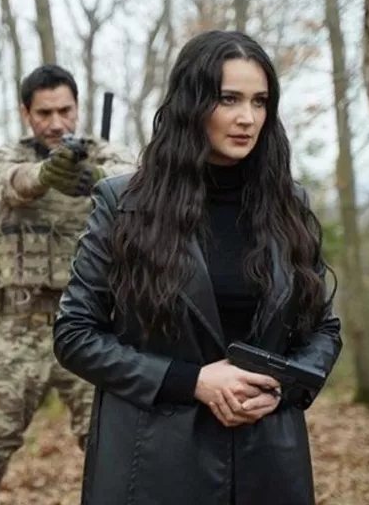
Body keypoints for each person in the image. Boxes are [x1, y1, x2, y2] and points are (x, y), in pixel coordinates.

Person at [52, 30, 343, 505]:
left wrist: (283, 386)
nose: (247, 118)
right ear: (192, 104)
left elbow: (323, 331)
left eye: (260, 101)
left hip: (268, 460)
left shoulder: (288, 205)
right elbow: (75, 335)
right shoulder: (124, 204)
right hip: (155, 465)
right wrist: (192, 382)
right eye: (229, 99)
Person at [0, 64, 138, 505]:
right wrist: (47, 175)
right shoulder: (7, 157)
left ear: (78, 108)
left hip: (92, 327)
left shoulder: (108, 155)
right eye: (44, 113)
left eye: (65, 111)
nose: (56, 123)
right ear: (26, 113)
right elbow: (12, 183)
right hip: (21, 327)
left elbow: (139, 183)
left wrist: (98, 181)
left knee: (118, 455)